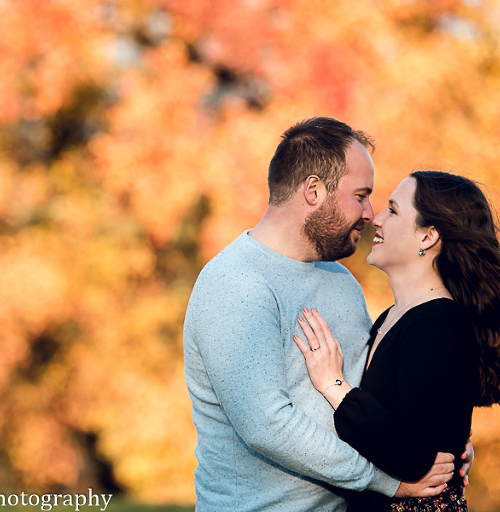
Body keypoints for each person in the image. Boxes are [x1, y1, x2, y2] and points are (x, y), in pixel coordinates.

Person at [183, 118, 464, 511]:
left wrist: (438, 439)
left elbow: (377, 394)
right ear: (314, 190)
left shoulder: (342, 282)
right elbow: (266, 425)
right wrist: (389, 481)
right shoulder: (236, 283)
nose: (370, 213)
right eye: (361, 195)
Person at [294, 170, 500, 511]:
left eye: (393, 211)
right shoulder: (393, 318)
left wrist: (333, 384)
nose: (376, 219)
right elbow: (412, 425)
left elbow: (411, 457)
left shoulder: (438, 325)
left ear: (428, 236)